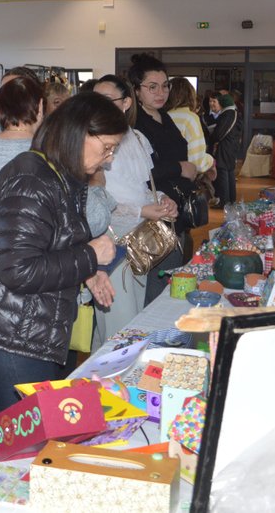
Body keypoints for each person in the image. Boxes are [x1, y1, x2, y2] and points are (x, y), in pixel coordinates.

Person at [0, 93, 124, 454]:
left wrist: (87, 271)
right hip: (10, 332)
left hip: (13, 321)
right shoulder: (33, 178)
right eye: (106, 148)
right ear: (77, 134)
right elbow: (18, 269)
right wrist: (90, 255)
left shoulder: (59, 173)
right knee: (22, 444)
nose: (108, 159)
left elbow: (48, 242)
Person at [90, 75, 177, 345]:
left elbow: (143, 188)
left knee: (133, 320)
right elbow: (97, 202)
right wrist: (142, 211)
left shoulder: (137, 138)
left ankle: (112, 381)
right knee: (118, 324)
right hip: (110, 244)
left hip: (141, 243)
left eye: (107, 100)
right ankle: (105, 382)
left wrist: (163, 201)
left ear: (126, 103)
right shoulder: (90, 141)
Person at [127, 54, 196, 302]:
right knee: (158, 291)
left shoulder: (164, 116)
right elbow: (141, 173)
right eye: (152, 87)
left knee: (174, 282)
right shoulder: (134, 124)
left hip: (176, 214)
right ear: (136, 90)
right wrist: (179, 168)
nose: (161, 92)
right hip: (155, 218)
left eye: (165, 86)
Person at [165, 77, 215, 182]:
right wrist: (211, 161)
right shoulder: (190, 118)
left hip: (166, 176)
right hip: (183, 179)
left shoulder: (163, 116)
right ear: (190, 95)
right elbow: (197, 162)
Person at [209, 94, 241, 207]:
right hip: (232, 146)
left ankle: (224, 202)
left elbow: (218, 134)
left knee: (222, 172)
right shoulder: (234, 113)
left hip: (225, 147)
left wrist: (211, 138)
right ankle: (231, 200)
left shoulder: (227, 114)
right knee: (230, 172)